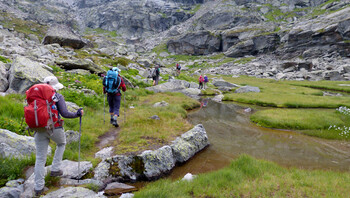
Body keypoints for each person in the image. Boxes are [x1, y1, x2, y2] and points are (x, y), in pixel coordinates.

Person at [34, 76, 84, 197]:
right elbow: (65, 114)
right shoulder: (57, 96)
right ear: (55, 87)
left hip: (38, 128)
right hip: (54, 127)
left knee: (40, 158)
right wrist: (77, 113)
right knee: (61, 143)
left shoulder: (35, 96)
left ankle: (38, 188)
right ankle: (55, 169)